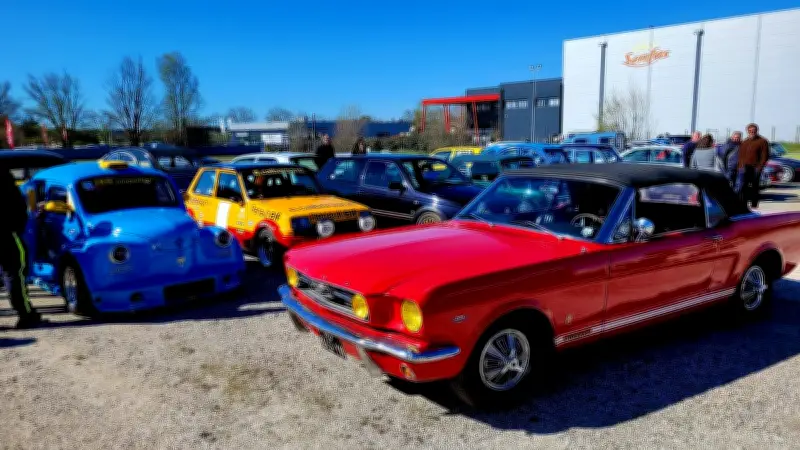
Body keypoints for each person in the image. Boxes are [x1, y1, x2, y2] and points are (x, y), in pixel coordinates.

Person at [0, 166, 43, 329]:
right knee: (14, 274)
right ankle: (25, 314)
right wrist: (18, 227)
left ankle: (26, 314)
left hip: (7, 232)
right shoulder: (4, 177)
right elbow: (18, 206)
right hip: (6, 234)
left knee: (13, 274)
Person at [737, 123, 770, 208]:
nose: (752, 132)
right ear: (747, 131)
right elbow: (740, 155)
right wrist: (740, 166)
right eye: (750, 131)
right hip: (744, 168)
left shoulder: (763, 141)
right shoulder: (744, 142)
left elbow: (765, 156)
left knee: (754, 186)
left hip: (755, 168)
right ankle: (743, 204)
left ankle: (754, 204)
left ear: (757, 131)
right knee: (744, 186)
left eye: (753, 130)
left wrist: (760, 167)